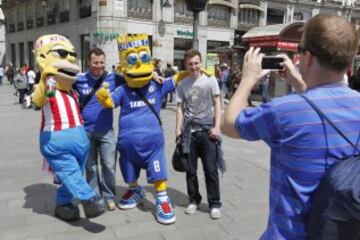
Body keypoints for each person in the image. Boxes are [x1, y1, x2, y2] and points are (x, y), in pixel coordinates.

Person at [222, 14, 360, 239]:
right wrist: (299, 84)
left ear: (307, 57)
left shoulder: (283, 111)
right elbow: (322, 107)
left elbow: (229, 124)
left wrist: (248, 79)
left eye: (299, 49)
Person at [175, 49, 222, 219]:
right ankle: (193, 200)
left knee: (211, 170)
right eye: (190, 64)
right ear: (185, 65)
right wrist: (177, 129)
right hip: (189, 132)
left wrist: (217, 127)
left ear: (200, 63)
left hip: (207, 130)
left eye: (196, 63)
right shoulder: (182, 84)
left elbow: (217, 104)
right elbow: (179, 108)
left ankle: (215, 203)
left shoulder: (210, 80)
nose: (193, 66)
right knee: (191, 171)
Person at [73, 48, 119, 211]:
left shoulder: (113, 78)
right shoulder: (79, 79)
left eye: (101, 62)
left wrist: (155, 75)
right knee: (90, 167)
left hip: (106, 131)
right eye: (95, 62)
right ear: (88, 63)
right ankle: (95, 195)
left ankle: (109, 196)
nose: (99, 66)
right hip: (85, 132)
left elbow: (135, 79)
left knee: (109, 165)